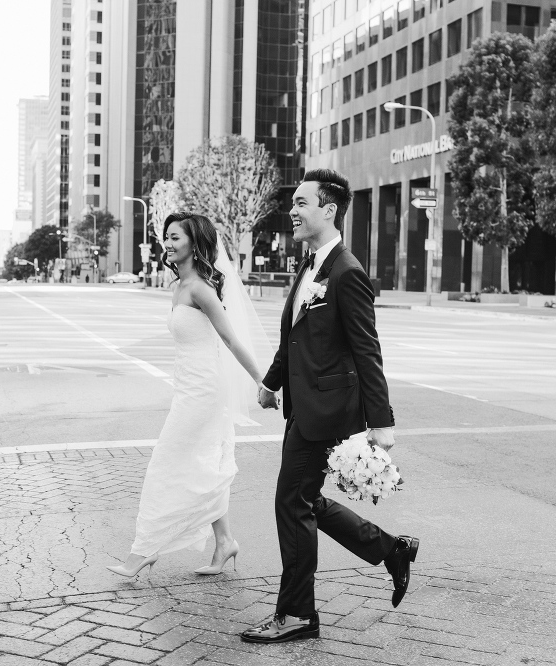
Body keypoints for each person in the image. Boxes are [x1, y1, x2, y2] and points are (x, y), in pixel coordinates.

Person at [240, 169, 419, 644]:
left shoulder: (346, 272)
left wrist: (381, 422)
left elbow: (368, 350)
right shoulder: (310, 265)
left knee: (291, 501)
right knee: (306, 500)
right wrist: (270, 383)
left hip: (327, 412)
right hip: (303, 406)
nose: (292, 211)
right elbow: (296, 336)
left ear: (329, 210)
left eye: (301, 203)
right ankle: (391, 549)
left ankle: (297, 614)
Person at [107, 212, 271, 578]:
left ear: (194, 243)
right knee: (203, 465)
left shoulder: (199, 289)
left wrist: (263, 382)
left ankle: (142, 551)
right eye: (166, 236)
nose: (168, 242)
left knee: (166, 462)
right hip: (187, 388)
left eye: (176, 237)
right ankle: (225, 540)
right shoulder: (177, 287)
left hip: (205, 392)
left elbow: (230, 340)